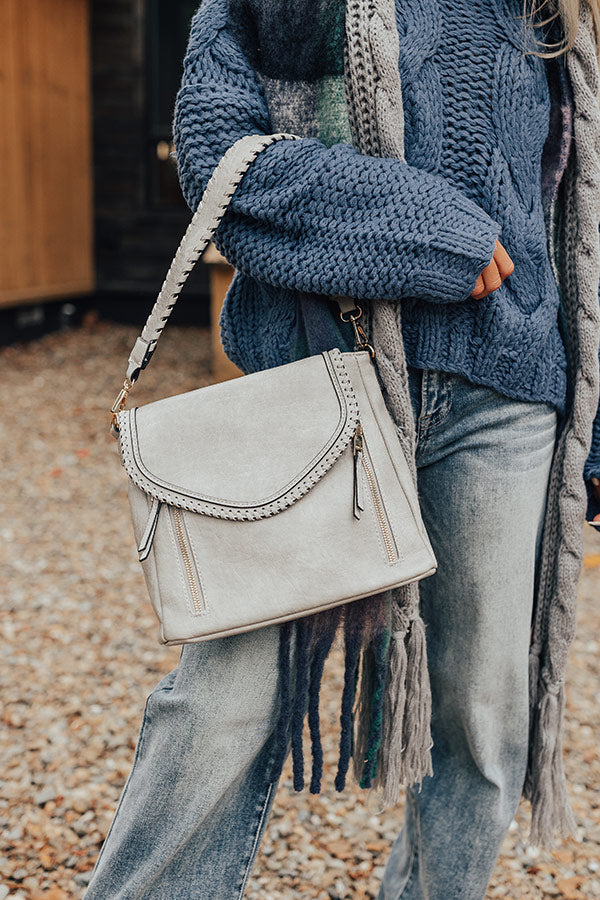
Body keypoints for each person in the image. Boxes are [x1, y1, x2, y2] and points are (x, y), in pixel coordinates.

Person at [85, 1, 600, 898]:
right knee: (222, 707)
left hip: (508, 396)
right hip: (315, 382)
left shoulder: (542, 7)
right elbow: (222, 164)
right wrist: (428, 229)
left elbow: (581, 215)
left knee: (482, 724)